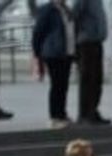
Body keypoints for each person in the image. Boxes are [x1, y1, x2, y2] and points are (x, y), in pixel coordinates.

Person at [31, 0, 77, 129]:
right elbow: (38, 32)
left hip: (66, 53)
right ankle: (54, 117)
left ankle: (62, 114)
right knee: (57, 85)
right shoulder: (47, 9)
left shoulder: (66, 9)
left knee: (63, 85)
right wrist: (37, 53)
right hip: (53, 53)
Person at [71, 0, 108, 123]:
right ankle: (84, 114)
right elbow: (74, 15)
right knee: (87, 79)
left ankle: (93, 110)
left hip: (97, 42)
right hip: (86, 43)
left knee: (97, 79)